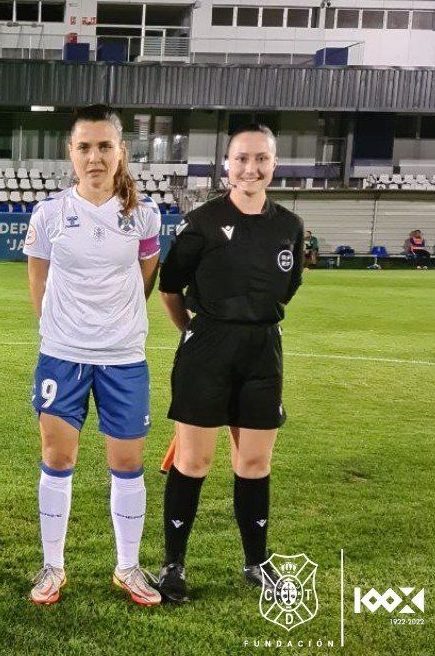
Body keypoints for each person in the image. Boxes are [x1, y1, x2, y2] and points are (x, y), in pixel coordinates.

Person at [154, 123, 304, 604]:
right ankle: (173, 564)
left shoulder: (289, 226)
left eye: (261, 159)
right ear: (226, 165)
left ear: (274, 165)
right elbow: (170, 289)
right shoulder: (199, 223)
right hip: (207, 351)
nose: (251, 168)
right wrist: (198, 334)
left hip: (263, 351)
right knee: (194, 461)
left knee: (255, 463)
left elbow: (289, 287)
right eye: (241, 158)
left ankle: (256, 562)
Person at [24, 105, 162, 607]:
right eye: (85, 147)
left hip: (124, 357)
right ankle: (52, 566)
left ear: (121, 151)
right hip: (63, 356)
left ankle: (127, 566)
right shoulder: (49, 214)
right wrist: (59, 329)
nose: (95, 156)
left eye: (105, 146)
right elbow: (37, 278)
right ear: (71, 153)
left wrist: (117, 323)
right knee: (57, 459)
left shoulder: (144, 215)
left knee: (127, 463)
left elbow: (148, 272)